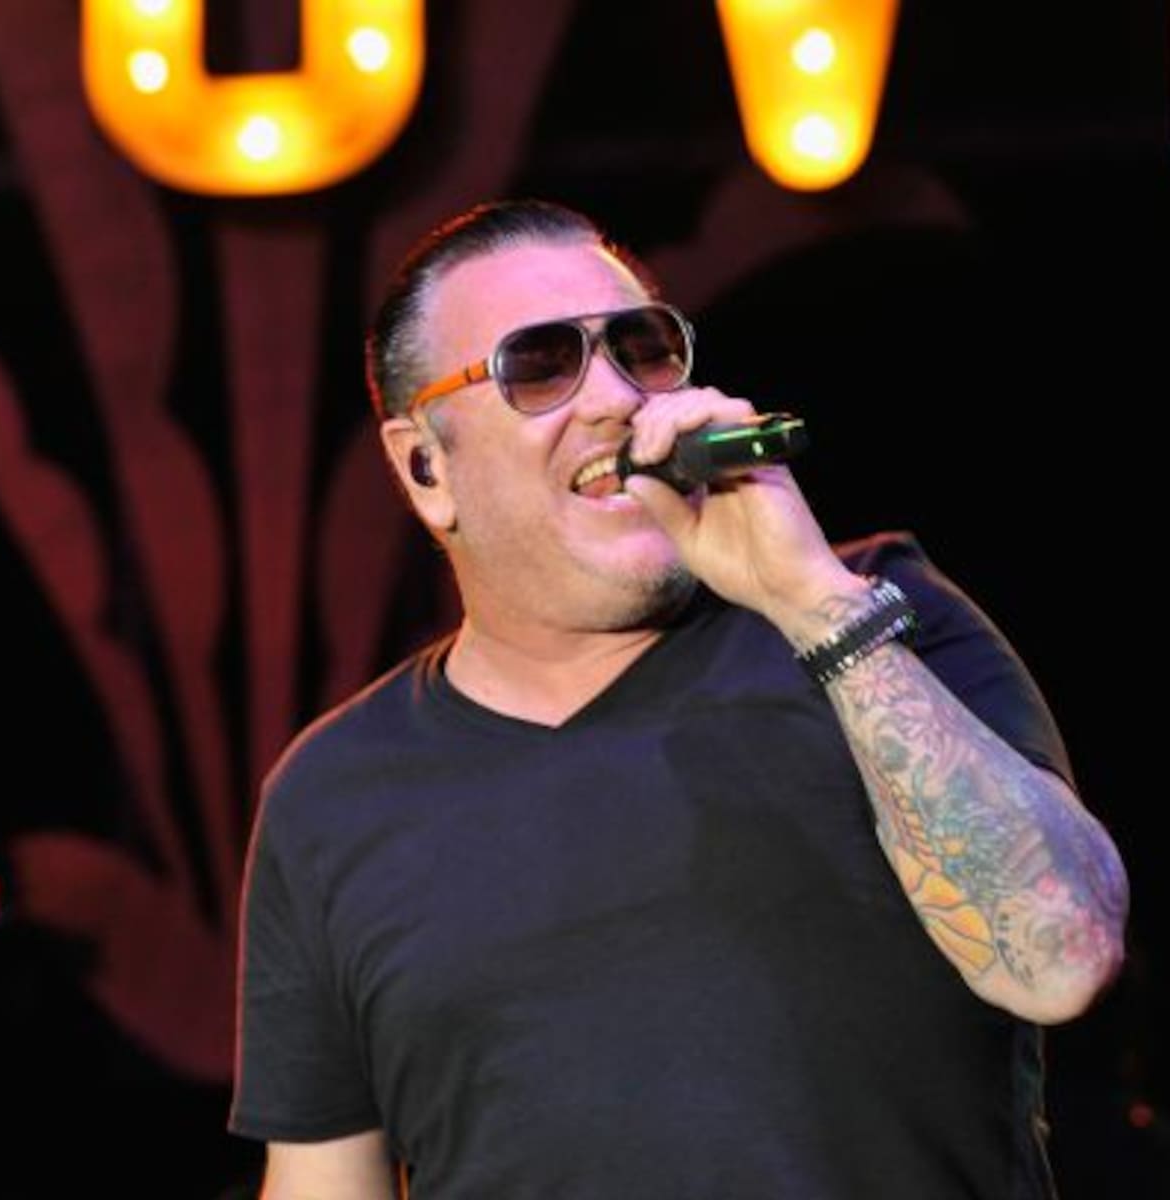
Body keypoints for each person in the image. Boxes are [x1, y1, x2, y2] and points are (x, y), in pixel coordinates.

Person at [228, 198, 1129, 1200]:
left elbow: (1062, 962)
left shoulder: (878, 611)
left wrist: (813, 601)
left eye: (641, 350)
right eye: (541, 365)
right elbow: (321, 1185)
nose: (615, 397)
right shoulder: (334, 795)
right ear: (425, 466)